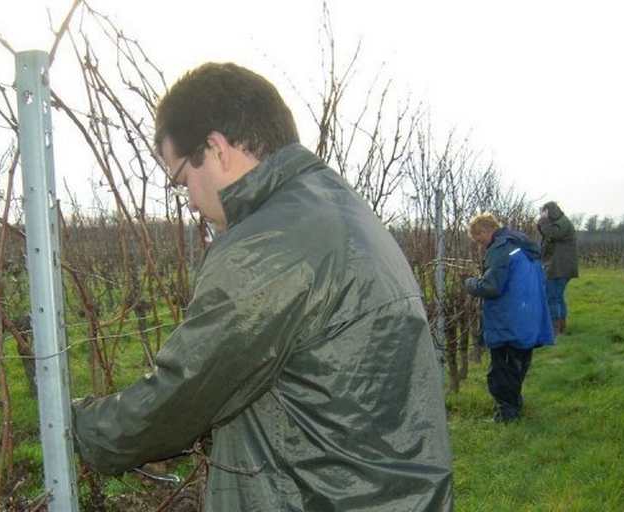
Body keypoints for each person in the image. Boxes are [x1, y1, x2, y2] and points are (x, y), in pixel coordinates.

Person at [71, 63, 452, 510]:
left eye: (181, 180)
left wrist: (78, 427)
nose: (190, 199)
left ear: (215, 148)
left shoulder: (268, 245)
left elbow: (183, 395)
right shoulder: (337, 206)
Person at [465, 213, 554, 423]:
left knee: (501, 371)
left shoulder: (500, 248)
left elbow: (492, 286)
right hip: (528, 314)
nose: (480, 245)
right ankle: (514, 407)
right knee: (518, 364)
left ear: (486, 231)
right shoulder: (521, 243)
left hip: (509, 317)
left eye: (479, 240)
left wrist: (470, 283)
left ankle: (507, 416)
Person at [536, 201, 578, 334]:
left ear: (549, 211)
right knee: (557, 297)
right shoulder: (560, 222)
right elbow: (547, 236)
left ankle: (555, 329)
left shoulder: (562, 223)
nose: (543, 215)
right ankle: (561, 327)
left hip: (560, 267)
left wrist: (543, 220)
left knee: (552, 297)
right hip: (560, 266)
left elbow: (553, 234)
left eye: (544, 212)